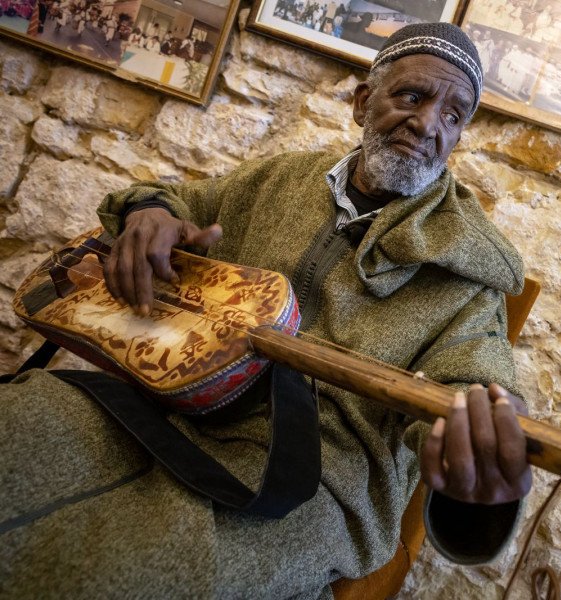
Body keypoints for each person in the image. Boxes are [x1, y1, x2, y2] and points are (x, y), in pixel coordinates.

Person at [1, 23, 532, 599]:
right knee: (24, 424)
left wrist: (486, 437)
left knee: (136, 570)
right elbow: (186, 200)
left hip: (320, 479)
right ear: (362, 101)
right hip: (180, 404)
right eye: (411, 96)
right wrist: (151, 213)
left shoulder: (466, 267)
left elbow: (476, 378)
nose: (429, 124)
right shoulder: (282, 178)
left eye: (453, 116)